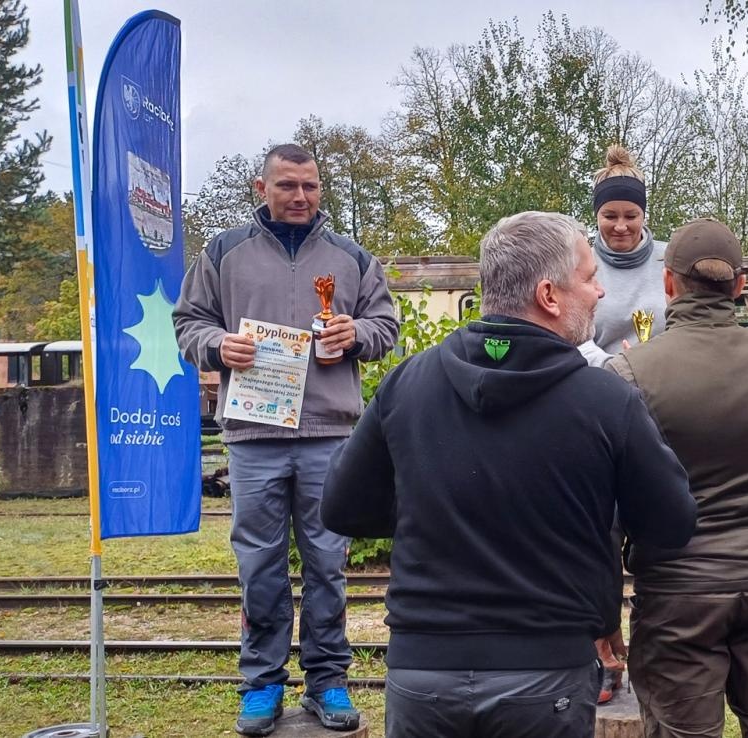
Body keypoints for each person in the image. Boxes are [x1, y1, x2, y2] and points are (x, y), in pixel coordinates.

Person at [320, 211, 699, 738]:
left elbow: (341, 507)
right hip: (547, 674)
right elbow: (673, 522)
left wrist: (434, 503)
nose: (600, 293)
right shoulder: (605, 398)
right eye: (590, 278)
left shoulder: (408, 383)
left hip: (424, 668)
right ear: (549, 295)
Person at [174, 143, 396, 736]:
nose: (300, 196)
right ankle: (261, 684)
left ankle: (327, 681)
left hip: (329, 433)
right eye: (287, 186)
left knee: (328, 564)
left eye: (310, 186)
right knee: (259, 565)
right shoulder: (222, 253)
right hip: (253, 434)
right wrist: (217, 346)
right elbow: (188, 323)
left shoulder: (352, 257)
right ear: (261, 188)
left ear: (321, 188)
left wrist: (355, 333)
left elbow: (386, 327)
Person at [606, 218, 748, 738]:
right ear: (739, 285)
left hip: (677, 597)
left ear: (668, 283)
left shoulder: (629, 373)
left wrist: (603, 609)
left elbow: (610, 508)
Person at [579, 144, 669, 366]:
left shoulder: (672, 259)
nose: (620, 226)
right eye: (610, 216)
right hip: (602, 379)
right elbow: (573, 337)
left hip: (665, 378)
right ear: (597, 216)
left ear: (643, 215)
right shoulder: (580, 265)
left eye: (630, 216)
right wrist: (617, 368)